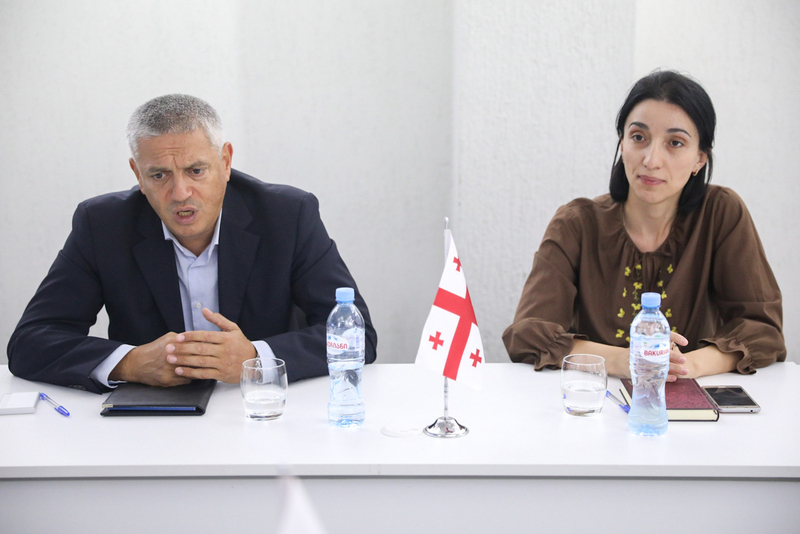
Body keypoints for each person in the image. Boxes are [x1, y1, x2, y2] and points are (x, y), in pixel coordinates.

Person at [7, 94, 377, 394]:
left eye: (196, 171)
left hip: (265, 411)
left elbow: (357, 335)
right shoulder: (102, 225)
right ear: (138, 173)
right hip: (152, 427)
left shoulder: (287, 215)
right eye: (159, 175)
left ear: (226, 162)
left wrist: (255, 358)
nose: (180, 193)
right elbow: (30, 342)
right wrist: (130, 362)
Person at [503, 70, 785, 381]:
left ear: (699, 160)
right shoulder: (576, 223)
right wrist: (625, 361)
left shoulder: (721, 213)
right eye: (639, 137)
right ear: (622, 144)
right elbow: (528, 334)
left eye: (675, 143)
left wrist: (687, 365)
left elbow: (762, 329)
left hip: (689, 401)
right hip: (592, 400)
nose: (651, 160)